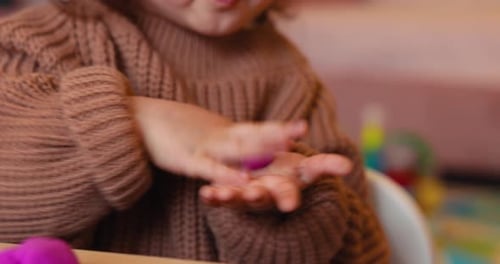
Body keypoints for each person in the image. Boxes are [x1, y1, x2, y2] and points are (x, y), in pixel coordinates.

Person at [0, 0, 389, 263]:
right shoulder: (38, 41)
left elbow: (359, 252)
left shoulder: (293, 80)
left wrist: (281, 213)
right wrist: (136, 121)